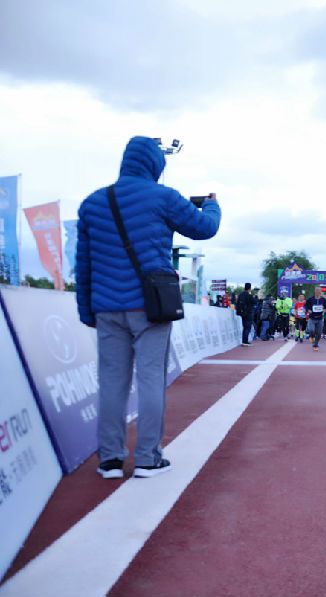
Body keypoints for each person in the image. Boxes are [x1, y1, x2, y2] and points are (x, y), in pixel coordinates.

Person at [75, 135, 221, 479]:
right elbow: (205, 228)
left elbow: (83, 265)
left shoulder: (93, 203)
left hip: (107, 308)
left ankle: (110, 460)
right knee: (151, 380)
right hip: (150, 306)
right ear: (156, 164)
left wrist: (86, 310)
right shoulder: (164, 197)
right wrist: (212, 206)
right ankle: (147, 458)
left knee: (112, 383)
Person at [305, 286, 326, 351]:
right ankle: (311, 336)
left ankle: (316, 344)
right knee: (311, 330)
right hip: (312, 318)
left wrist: (325, 310)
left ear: (321, 292)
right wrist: (308, 310)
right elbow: (305, 306)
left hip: (320, 318)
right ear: (315, 291)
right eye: (316, 290)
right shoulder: (310, 299)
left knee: (319, 333)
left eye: (319, 290)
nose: (318, 292)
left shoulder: (323, 300)